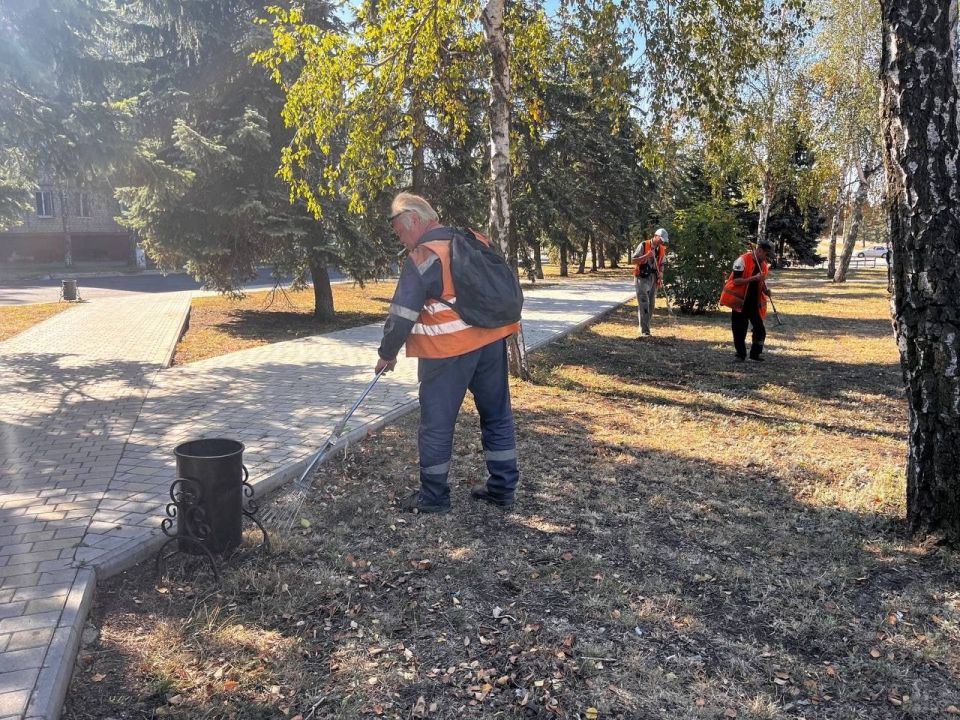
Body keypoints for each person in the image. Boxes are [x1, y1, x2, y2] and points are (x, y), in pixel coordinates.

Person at [375, 192, 521, 513]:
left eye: (400, 231)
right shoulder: (474, 238)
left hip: (447, 350)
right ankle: (502, 488)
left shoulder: (424, 254)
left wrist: (387, 353)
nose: (401, 240)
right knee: (497, 415)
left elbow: (402, 313)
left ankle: (434, 496)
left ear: (413, 220)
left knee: (436, 424)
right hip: (492, 339)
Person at [719, 238, 773, 362]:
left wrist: (766, 291)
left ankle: (755, 354)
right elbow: (736, 281)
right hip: (739, 302)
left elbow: (761, 282)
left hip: (754, 303)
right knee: (739, 330)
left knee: (760, 330)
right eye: (766, 254)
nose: (766, 258)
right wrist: (753, 278)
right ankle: (740, 355)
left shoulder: (764, 266)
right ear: (759, 250)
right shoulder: (742, 260)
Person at [631, 228, 669, 337]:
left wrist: (661, 272)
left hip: (653, 278)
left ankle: (645, 326)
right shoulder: (643, 245)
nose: (662, 242)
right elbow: (633, 260)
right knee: (644, 304)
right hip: (641, 278)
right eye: (661, 239)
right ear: (655, 236)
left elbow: (662, 264)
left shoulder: (661, 248)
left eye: (663, 240)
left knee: (651, 305)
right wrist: (647, 256)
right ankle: (645, 331)